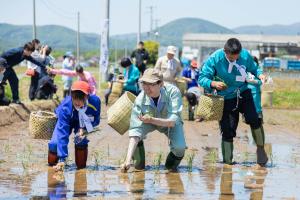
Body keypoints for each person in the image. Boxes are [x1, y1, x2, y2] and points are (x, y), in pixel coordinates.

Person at [198, 38, 268, 167]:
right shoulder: (215, 58)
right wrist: (213, 83)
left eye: (236, 57)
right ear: (225, 51)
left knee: (255, 119)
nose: (234, 60)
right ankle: (228, 162)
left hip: (243, 92)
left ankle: (260, 148)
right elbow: (202, 78)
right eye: (231, 58)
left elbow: (255, 68)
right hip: (225, 97)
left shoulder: (245, 55)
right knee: (228, 130)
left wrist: (260, 75)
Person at [120, 68, 186, 172]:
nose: (146, 88)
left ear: (161, 84)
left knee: (180, 148)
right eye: (144, 83)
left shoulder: (173, 93)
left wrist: (151, 119)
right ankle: (139, 166)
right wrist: (127, 160)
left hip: (168, 123)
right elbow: (135, 130)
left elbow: (172, 121)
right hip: (148, 122)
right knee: (137, 135)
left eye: (151, 84)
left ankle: (170, 167)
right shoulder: (140, 99)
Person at [48, 81, 101, 171]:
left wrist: (84, 129)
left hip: (82, 122)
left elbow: (96, 120)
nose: (77, 102)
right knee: (55, 143)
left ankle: (81, 168)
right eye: (75, 98)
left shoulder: (95, 102)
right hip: (67, 119)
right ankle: (55, 164)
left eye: (81, 98)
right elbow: (62, 132)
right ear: (71, 95)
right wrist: (62, 159)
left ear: (87, 96)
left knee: (81, 140)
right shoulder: (66, 107)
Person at [245, 56, 263, 121]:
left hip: (255, 91)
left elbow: (261, 81)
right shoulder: (246, 69)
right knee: (251, 107)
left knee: (256, 107)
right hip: (247, 91)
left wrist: (254, 81)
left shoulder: (258, 70)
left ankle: (258, 119)